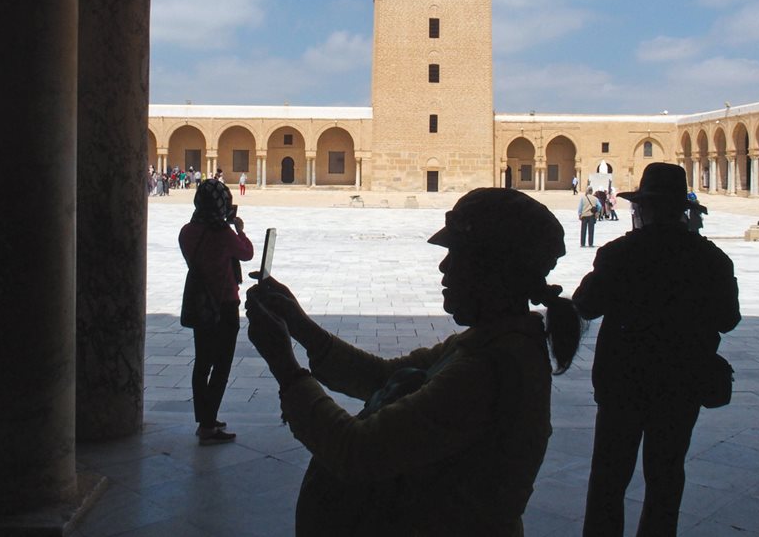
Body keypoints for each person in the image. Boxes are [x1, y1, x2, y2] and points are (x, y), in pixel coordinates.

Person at [245, 188, 585, 536]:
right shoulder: (488, 342)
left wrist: (285, 366)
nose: (444, 266)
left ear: (492, 270)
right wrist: (301, 325)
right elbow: (383, 375)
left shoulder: (489, 369)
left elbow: (357, 451)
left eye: (457, 254)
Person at [572, 163, 740, 536]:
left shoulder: (620, 254)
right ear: (682, 210)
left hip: (623, 383)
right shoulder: (711, 259)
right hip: (682, 383)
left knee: (608, 479)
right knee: (666, 476)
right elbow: (728, 319)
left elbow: (585, 305)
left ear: (643, 208)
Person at [179, 178, 254, 445]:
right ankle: (209, 426)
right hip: (224, 306)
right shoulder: (223, 235)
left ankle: (205, 419)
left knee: (201, 364)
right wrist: (239, 229)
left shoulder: (187, 232)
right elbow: (246, 254)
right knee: (221, 364)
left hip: (201, 304)